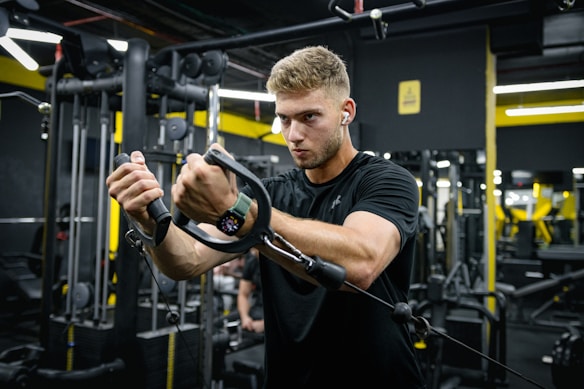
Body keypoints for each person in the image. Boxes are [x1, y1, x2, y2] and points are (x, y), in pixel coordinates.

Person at [107, 45, 426, 388]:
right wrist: (148, 217)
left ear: (345, 111)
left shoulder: (386, 180)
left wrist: (236, 213)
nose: (293, 135)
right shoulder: (268, 194)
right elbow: (187, 260)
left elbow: (360, 264)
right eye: (284, 119)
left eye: (309, 117)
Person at [237, 247, 263, 335]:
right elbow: (243, 294)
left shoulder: (281, 266)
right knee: (217, 324)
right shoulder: (252, 262)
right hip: (256, 310)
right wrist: (245, 318)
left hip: (274, 316)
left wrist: (265, 324)